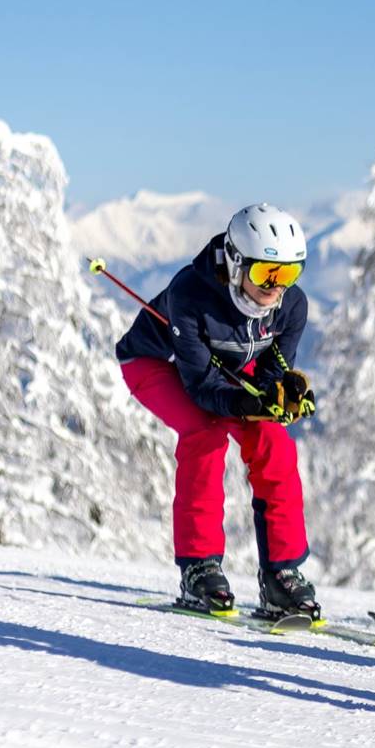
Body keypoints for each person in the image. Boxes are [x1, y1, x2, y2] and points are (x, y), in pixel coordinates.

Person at [115, 203, 321, 618]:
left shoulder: (292, 306)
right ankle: (199, 567)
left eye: (290, 273)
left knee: (274, 445)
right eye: (267, 273)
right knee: (204, 435)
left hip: (226, 370)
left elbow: (270, 368)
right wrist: (245, 402)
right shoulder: (190, 295)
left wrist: (279, 393)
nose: (277, 288)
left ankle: (282, 576)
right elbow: (200, 388)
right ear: (236, 261)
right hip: (156, 363)